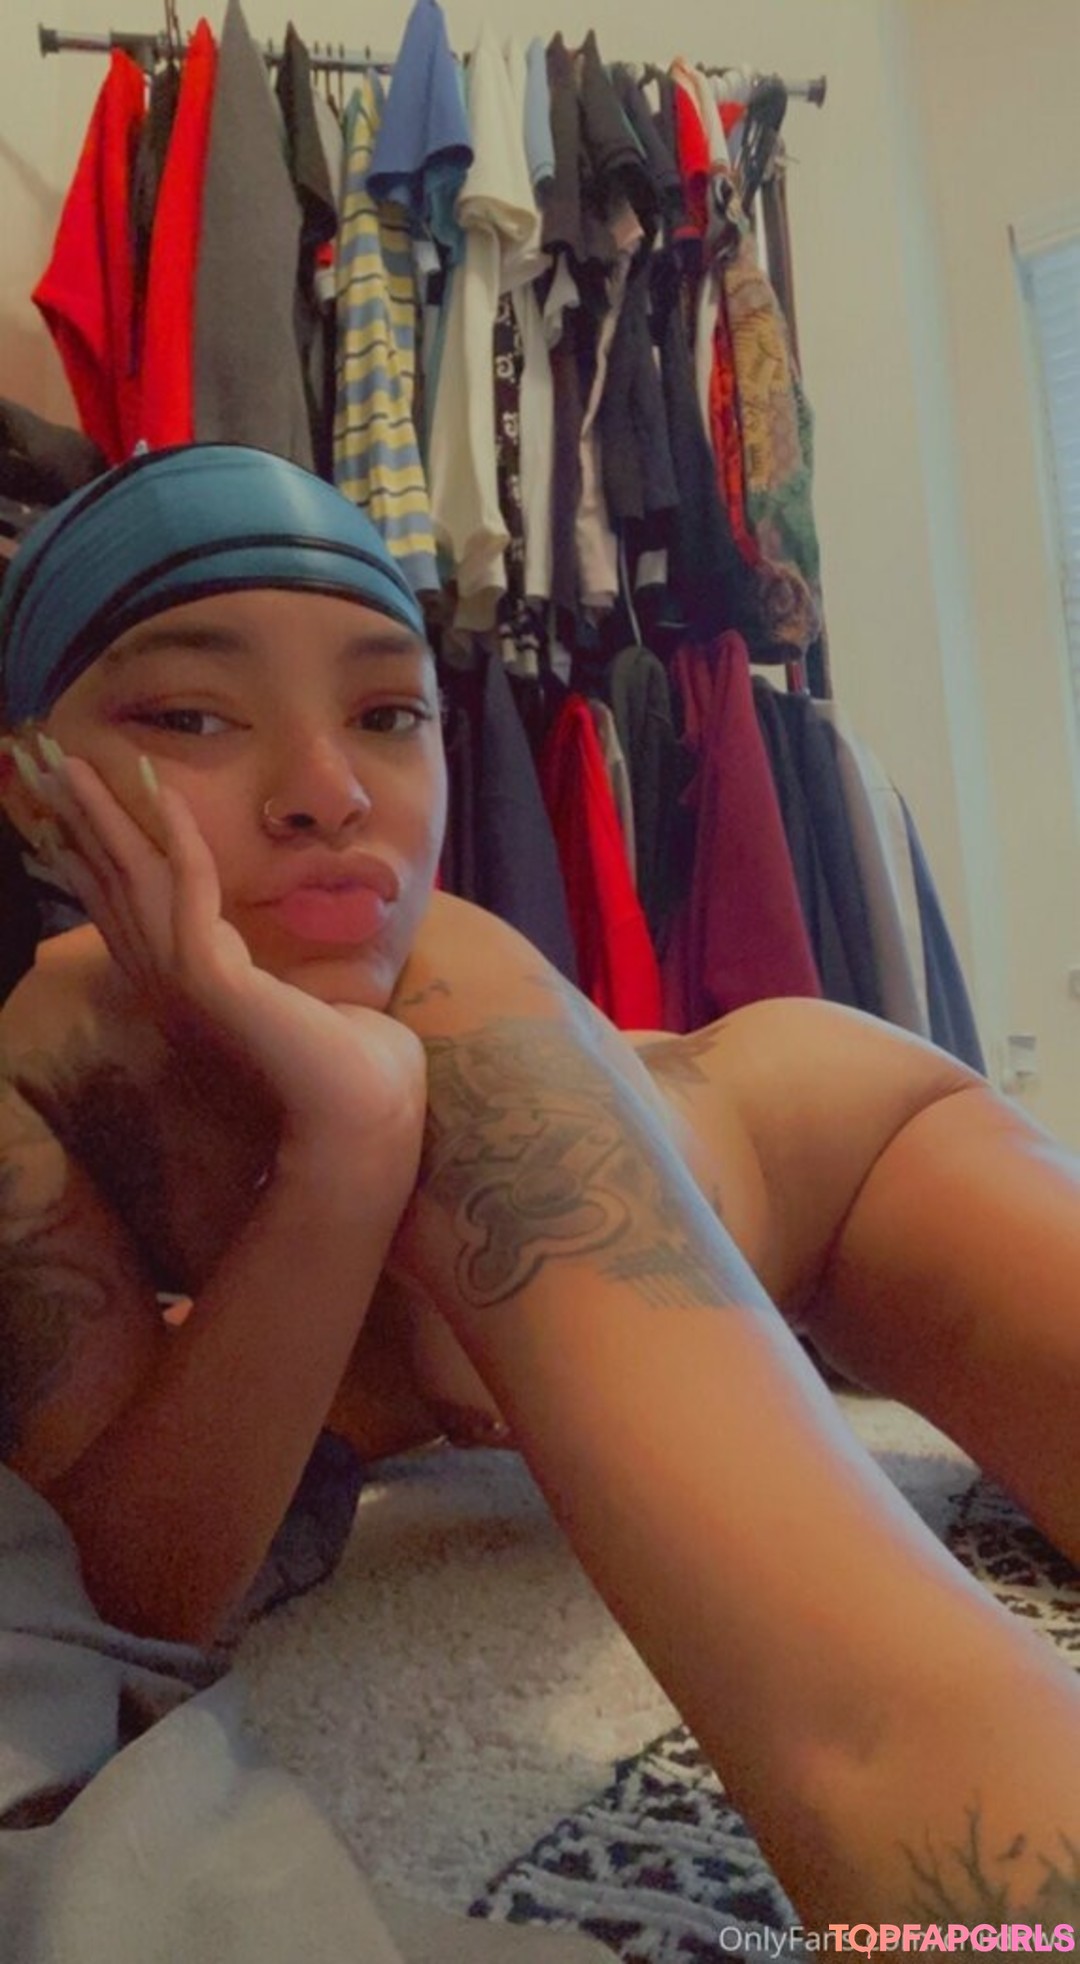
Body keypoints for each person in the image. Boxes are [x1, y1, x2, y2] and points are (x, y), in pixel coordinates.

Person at [0, 444, 1077, 1943]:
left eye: (388, 714)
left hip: (844, 1170)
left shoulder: (459, 1001)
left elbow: (876, 1728)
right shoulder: (39, 1075)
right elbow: (133, 1599)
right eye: (193, 716)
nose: (328, 795)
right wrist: (348, 1145)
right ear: (32, 791)